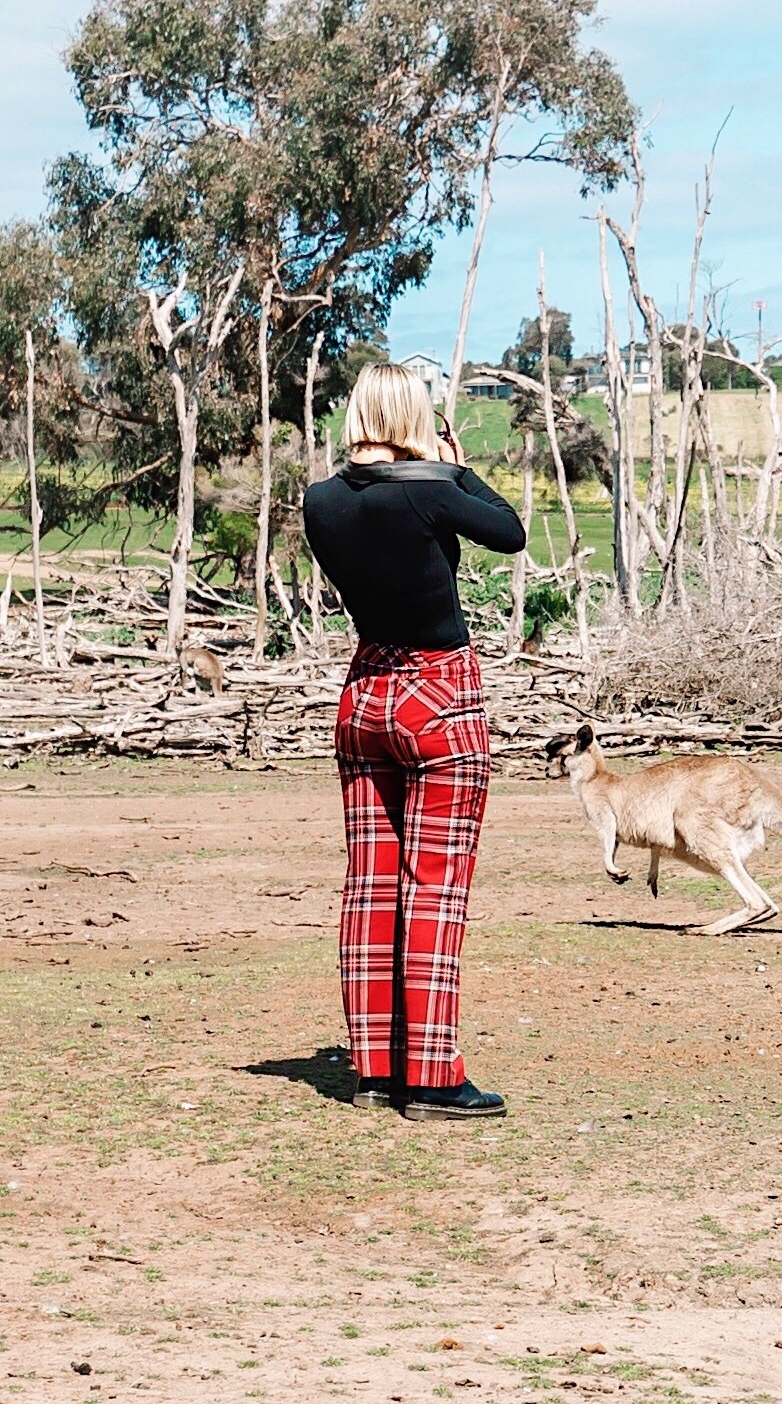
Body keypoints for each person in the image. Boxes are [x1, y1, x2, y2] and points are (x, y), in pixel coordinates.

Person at [303, 364, 526, 1119]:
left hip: (365, 690)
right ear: (415, 418)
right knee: (435, 887)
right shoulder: (433, 490)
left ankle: (374, 1071)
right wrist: (457, 466)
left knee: (370, 884)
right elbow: (509, 533)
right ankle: (431, 1078)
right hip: (440, 694)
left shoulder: (320, 500)